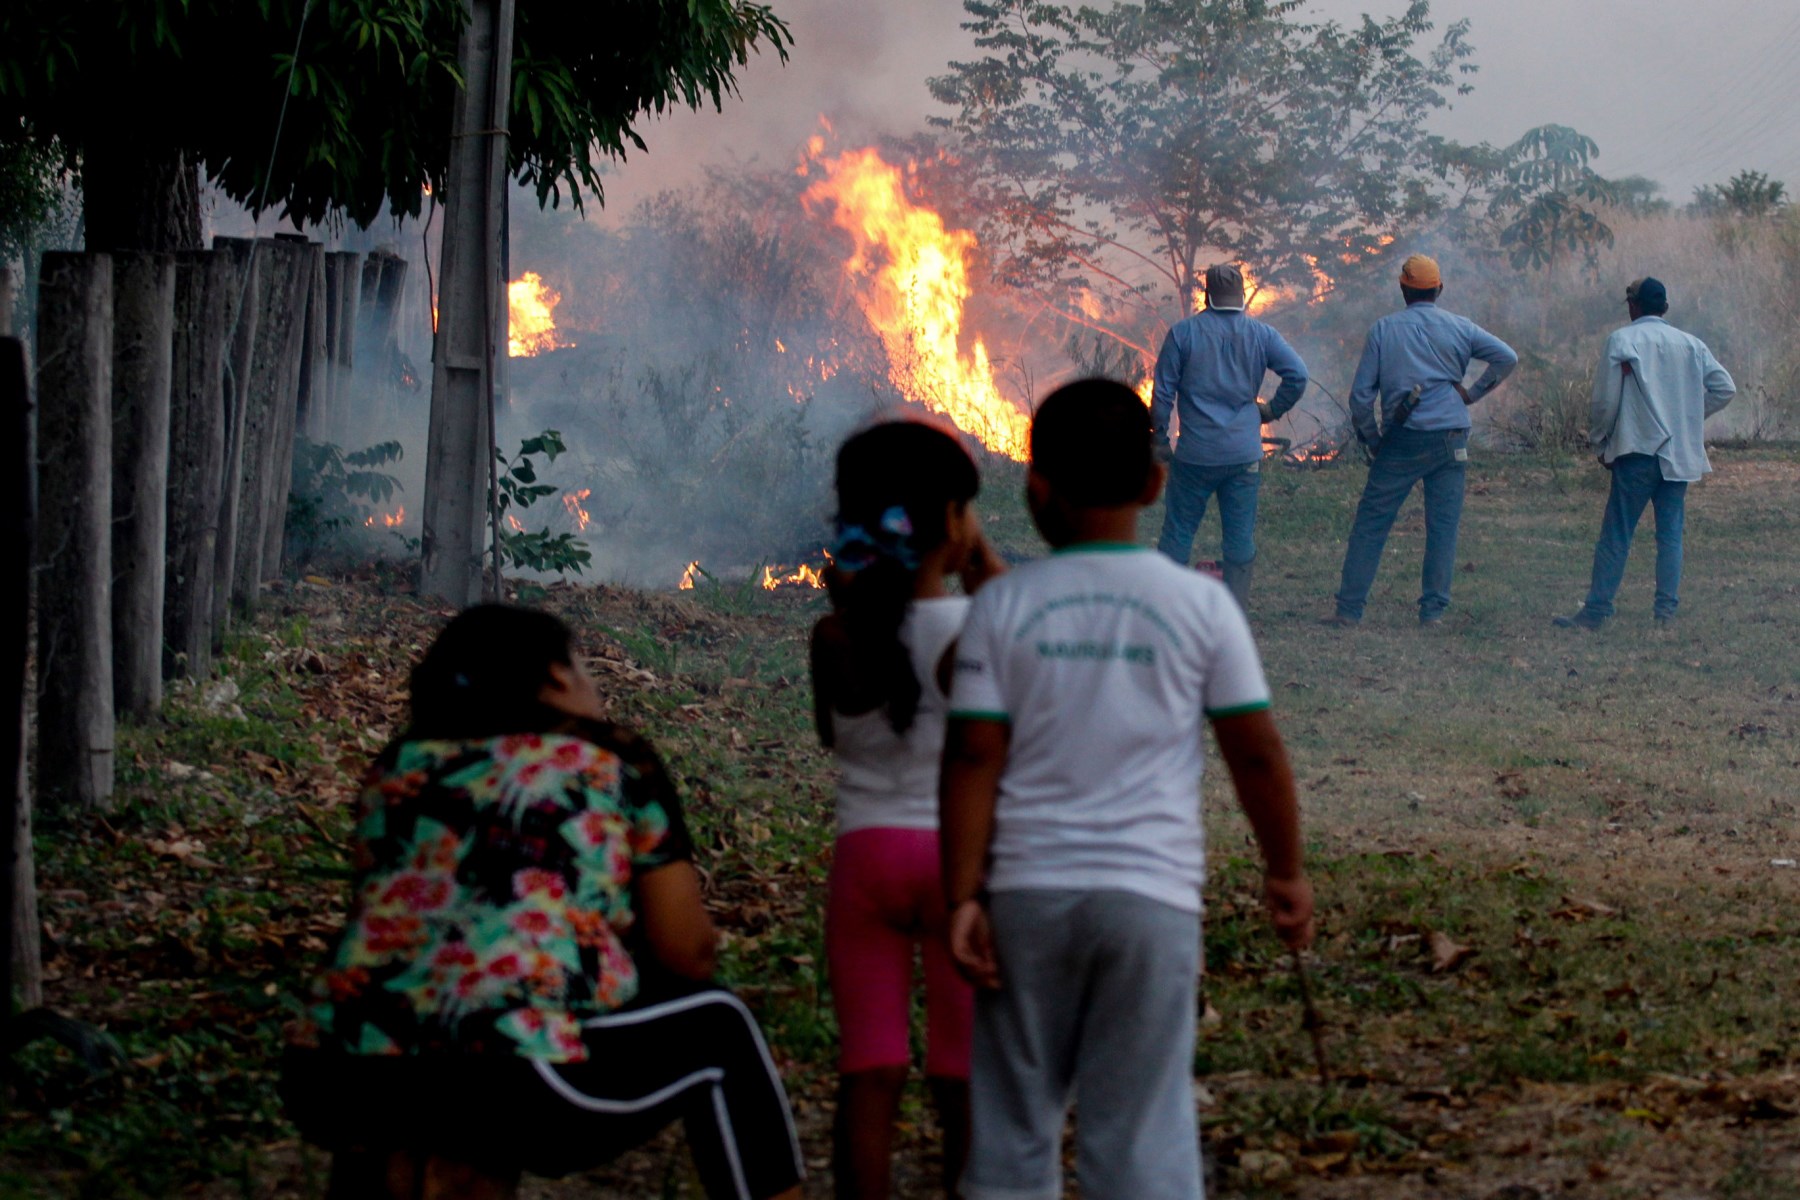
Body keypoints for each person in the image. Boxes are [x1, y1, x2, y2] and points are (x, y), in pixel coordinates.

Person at [282, 605, 803, 1200]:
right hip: (519, 1070)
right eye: (586, 667)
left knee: (432, 1108)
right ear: (558, 676)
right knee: (720, 1024)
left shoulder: (396, 765)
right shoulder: (610, 757)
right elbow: (688, 952)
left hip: (335, 1067)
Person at [940, 378, 1315, 1200]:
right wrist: (1283, 871)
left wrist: (963, 894)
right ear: (1155, 484)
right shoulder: (1201, 606)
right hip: (1151, 903)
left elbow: (972, 757)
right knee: (1141, 1128)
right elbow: (1254, 751)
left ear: (1035, 487)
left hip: (1026, 902)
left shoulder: (1002, 608)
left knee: (1013, 1126)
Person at [811, 420, 1006, 1199]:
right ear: (954, 526)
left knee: (870, 1068)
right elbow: (1015, 615)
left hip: (865, 861)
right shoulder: (977, 625)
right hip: (961, 865)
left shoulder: (835, 636)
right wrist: (981, 557)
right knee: (961, 1071)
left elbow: (833, 734)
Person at [1327, 254, 1518, 627]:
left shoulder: (1384, 330)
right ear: (1439, 289)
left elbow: (1360, 397)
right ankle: (1432, 613)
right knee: (1443, 526)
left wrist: (1372, 438)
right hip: (1451, 437)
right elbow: (1506, 358)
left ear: (1403, 289)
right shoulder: (1460, 326)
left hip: (1402, 440)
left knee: (1372, 522)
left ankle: (1349, 609)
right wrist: (1473, 394)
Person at [1554, 277, 1736, 630]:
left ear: (1633, 306)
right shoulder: (1691, 344)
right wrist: (1688, 417)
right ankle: (1665, 613)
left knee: (1617, 533)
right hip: (1679, 454)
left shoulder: (1622, 340)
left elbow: (1605, 402)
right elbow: (1724, 388)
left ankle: (1597, 610)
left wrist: (1600, 441)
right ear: (1665, 308)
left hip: (1637, 450)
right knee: (1670, 535)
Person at [1151, 262, 1309, 611]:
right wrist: (1271, 410)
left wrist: (1160, 438)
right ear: (1240, 296)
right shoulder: (1262, 334)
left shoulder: (1183, 334)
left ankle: (1165, 608)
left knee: (1178, 532)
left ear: (1207, 295)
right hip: (1242, 456)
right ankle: (1235, 611)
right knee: (1239, 538)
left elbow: (1162, 395)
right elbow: (1298, 375)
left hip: (1195, 455)